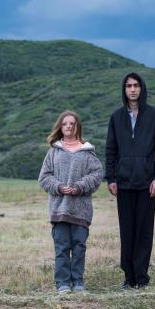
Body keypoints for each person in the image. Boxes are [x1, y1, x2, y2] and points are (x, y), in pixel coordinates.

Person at [105, 72, 155, 290]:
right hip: (123, 184)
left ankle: (142, 278)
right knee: (127, 231)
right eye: (128, 86)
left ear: (142, 88)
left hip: (146, 185)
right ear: (124, 90)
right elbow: (110, 150)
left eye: (136, 85)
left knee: (143, 231)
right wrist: (111, 178)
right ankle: (128, 277)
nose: (132, 89)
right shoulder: (116, 117)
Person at [38, 111, 103, 294]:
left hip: (81, 210)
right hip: (59, 210)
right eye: (65, 123)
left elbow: (97, 175)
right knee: (62, 248)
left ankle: (78, 283)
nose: (68, 126)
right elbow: (43, 178)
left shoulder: (87, 152)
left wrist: (80, 187)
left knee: (79, 248)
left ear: (77, 127)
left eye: (72, 123)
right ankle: (63, 284)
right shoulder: (53, 152)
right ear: (60, 126)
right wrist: (58, 187)